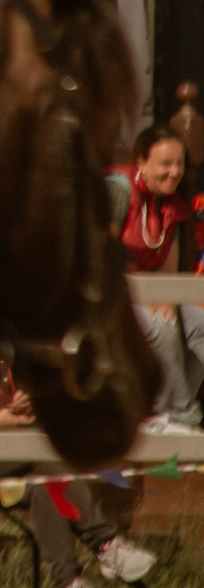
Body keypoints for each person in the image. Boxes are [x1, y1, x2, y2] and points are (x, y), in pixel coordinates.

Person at [118, 125, 202, 432]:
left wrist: (165, 296)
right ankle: (177, 414)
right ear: (141, 161)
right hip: (120, 293)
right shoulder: (119, 190)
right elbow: (104, 258)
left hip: (155, 289)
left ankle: (181, 407)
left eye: (179, 163)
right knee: (161, 326)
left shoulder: (172, 207)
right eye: (165, 164)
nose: (175, 171)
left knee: (200, 322)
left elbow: (169, 267)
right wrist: (149, 296)